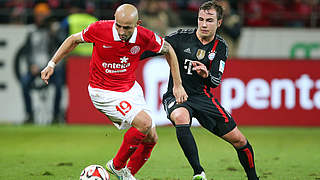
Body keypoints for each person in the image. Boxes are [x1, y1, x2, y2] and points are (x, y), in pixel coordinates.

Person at [40, 3, 187, 180]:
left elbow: (169, 49)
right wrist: (51, 64)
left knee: (151, 138)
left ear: (137, 24)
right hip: (103, 92)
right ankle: (117, 165)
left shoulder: (145, 36)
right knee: (145, 123)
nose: (121, 31)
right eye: (118, 25)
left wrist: (177, 84)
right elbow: (73, 39)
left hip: (130, 89)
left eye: (127, 27)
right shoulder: (100, 29)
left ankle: (128, 175)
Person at [161, 1, 259, 180]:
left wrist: (206, 74)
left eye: (209, 20)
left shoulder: (220, 47)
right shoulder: (180, 37)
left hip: (203, 97)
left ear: (219, 23)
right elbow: (155, 45)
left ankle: (253, 178)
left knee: (240, 141)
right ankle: (198, 172)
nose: (204, 24)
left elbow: (215, 81)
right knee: (181, 117)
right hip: (177, 95)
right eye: (201, 19)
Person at [20, 3, 64, 124]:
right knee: (24, 83)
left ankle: (56, 115)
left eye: (44, 15)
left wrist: (53, 32)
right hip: (35, 67)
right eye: (39, 15)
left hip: (51, 67)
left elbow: (62, 44)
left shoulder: (54, 29)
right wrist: (30, 65)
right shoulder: (31, 31)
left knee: (59, 85)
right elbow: (27, 52)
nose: (41, 18)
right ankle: (29, 115)